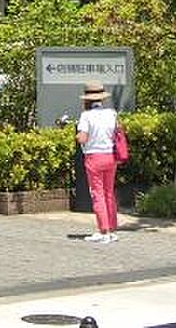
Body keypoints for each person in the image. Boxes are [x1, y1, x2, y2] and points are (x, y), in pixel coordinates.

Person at [76, 81, 118, 244]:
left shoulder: (86, 116)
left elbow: (83, 138)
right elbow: (115, 134)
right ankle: (112, 229)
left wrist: (78, 135)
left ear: (87, 99)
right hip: (110, 156)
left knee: (97, 194)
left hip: (94, 157)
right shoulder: (111, 114)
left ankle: (103, 231)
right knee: (109, 193)